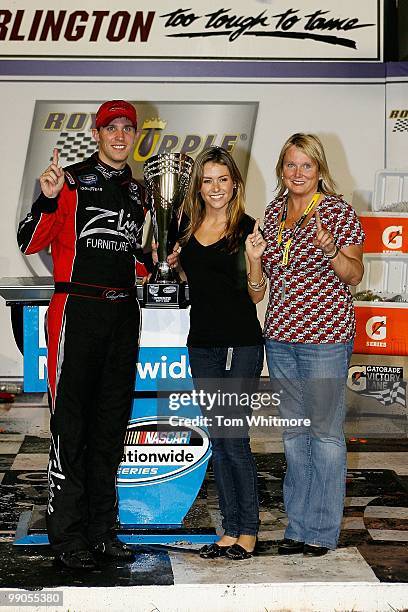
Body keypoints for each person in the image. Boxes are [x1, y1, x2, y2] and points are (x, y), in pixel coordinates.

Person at [17, 100, 177, 570]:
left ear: (136, 135)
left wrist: (167, 255)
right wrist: (47, 199)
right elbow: (29, 241)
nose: (121, 135)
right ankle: (66, 537)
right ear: (97, 132)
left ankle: (102, 531)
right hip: (76, 312)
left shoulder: (143, 192)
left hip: (123, 314)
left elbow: (146, 260)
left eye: (128, 128)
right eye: (112, 128)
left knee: (110, 430)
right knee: (71, 429)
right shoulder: (68, 180)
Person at [261, 133, 364, 557]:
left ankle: (321, 530)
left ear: (319, 169)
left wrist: (331, 250)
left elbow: (354, 274)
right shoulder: (272, 214)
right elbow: (264, 276)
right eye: (291, 165)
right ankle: (297, 526)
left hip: (325, 339)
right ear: (281, 169)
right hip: (280, 336)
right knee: (293, 435)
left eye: (306, 165)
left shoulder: (338, 213)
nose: (298, 173)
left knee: (323, 435)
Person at [179, 146, 266, 560]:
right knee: (219, 438)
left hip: (240, 344)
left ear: (235, 183)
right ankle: (229, 530)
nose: (215, 188)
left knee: (235, 439)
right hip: (202, 345)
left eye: (222, 179)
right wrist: (176, 264)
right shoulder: (188, 226)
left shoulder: (246, 228)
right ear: (199, 184)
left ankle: (247, 530)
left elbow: (255, 293)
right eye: (207, 179)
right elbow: (196, 281)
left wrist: (254, 262)